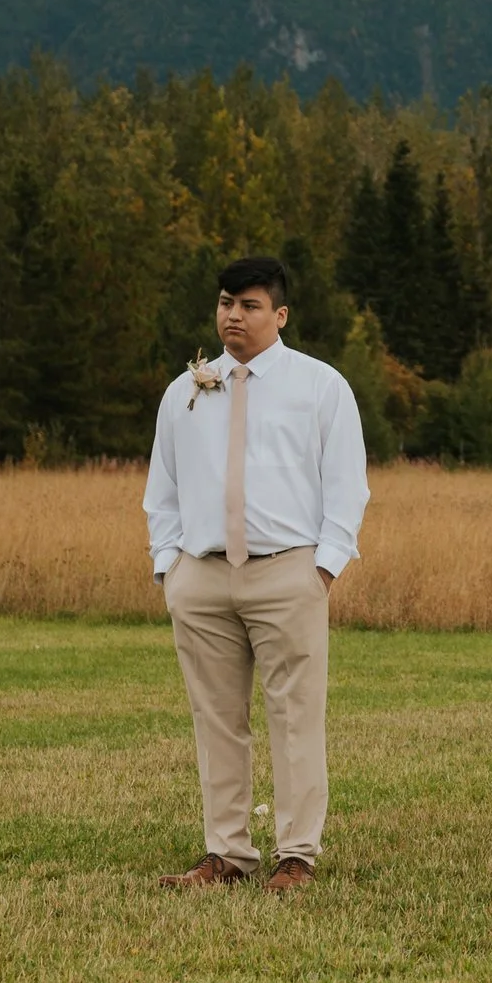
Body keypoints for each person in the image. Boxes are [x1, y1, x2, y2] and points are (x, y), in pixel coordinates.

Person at [143, 255, 369, 895]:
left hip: (286, 573)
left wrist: (322, 569)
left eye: (248, 305)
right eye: (225, 303)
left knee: (295, 715)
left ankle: (296, 854)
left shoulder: (320, 386)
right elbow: (162, 487)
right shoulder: (186, 388)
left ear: (280, 314)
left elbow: (347, 486)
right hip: (202, 577)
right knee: (215, 717)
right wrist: (170, 567)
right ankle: (227, 854)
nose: (233, 316)